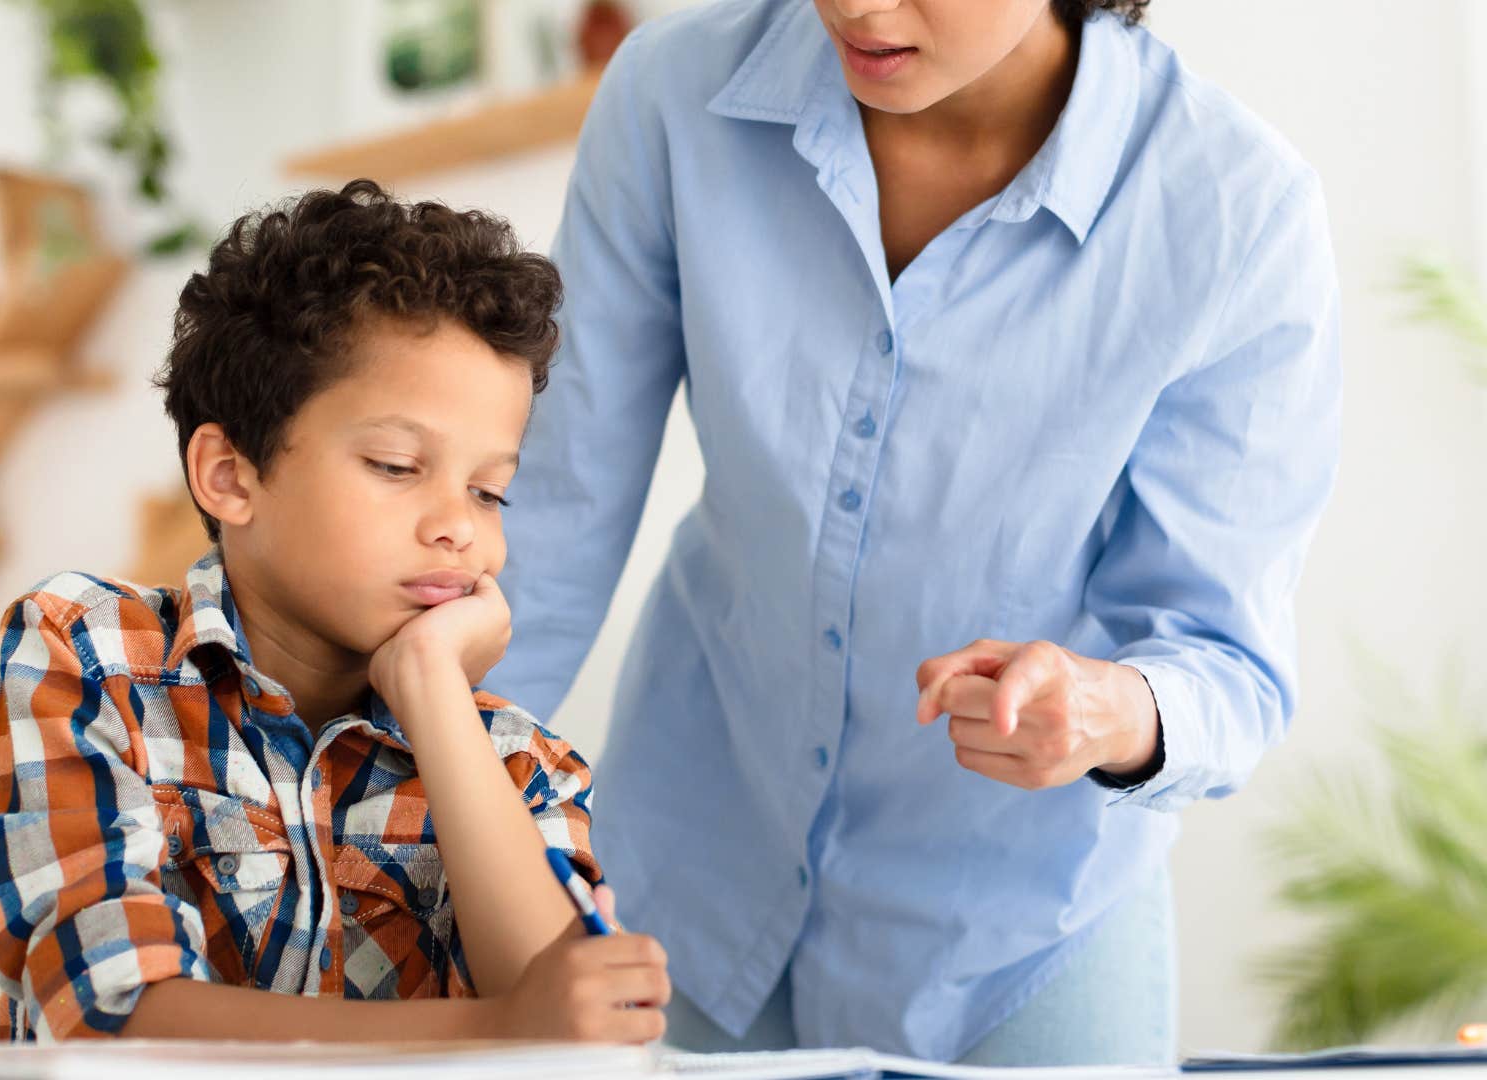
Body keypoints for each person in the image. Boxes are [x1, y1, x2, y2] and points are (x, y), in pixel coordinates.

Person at [487, 0, 1340, 1066]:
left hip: (1021, 932)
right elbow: (550, 523)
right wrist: (398, 828)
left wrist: (1107, 710)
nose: (854, 5)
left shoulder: (1233, 212)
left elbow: (1226, 659)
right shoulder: (674, 96)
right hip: (689, 877)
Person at [0, 180, 670, 1043]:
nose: (457, 529)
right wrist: (494, 1029)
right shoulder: (85, 657)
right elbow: (113, 1013)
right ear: (230, 476)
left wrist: (433, 692)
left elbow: (568, 1027)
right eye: (398, 466)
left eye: (489, 492)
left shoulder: (517, 765)